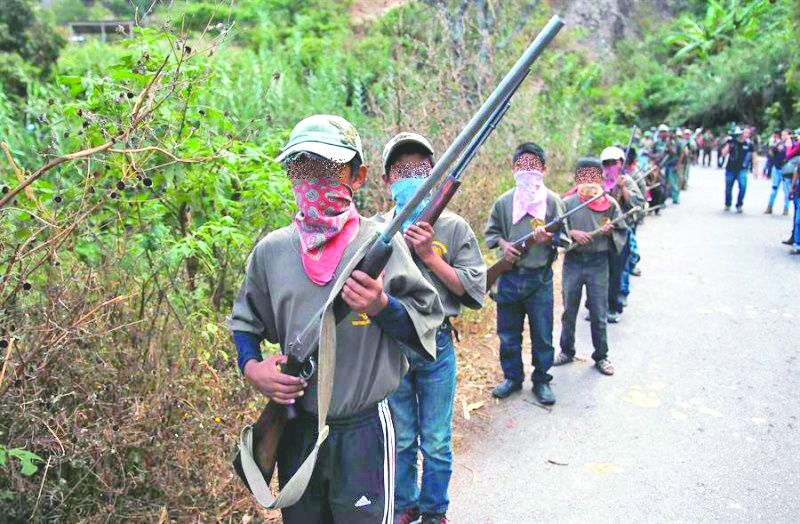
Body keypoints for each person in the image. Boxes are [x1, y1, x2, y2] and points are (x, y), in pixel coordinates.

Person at [228, 115, 444, 524]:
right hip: (297, 429)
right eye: (301, 167)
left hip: (364, 430)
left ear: (358, 176)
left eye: (327, 168)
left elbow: (425, 323)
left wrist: (383, 307)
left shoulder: (383, 244)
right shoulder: (271, 252)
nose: (313, 178)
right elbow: (245, 321)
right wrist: (252, 366)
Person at [378, 133, 486, 524]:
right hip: (392, 348)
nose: (412, 177)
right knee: (402, 439)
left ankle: (435, 509)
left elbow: (474, 290)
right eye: (403, 170)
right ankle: (405, 505)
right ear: (387, 179)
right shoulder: (376, 230)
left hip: (438, 347)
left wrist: (429, 255)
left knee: (437, 441)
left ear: (436, 176)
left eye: (422, 170)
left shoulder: (454, 228)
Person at [485, 143, 567, 405]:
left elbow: (565, 239)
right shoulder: (504, 202)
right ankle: (513, 378)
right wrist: (504, 246)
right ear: (513, 169)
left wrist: (548, 239)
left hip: (539, 278)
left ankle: (541, 380)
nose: (528, 170)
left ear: (543, 169)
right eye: (522, 165)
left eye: (533, 165)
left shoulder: (553, 202)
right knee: (508, 333)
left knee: (542, 333)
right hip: (509, 276)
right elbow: (493, 233)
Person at [554, 158, 627, 376]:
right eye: (583, 176)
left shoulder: (609, 204)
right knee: (569, 309)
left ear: (600, 178)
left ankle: (601, 356)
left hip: (598, 263)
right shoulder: (566, 203)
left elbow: (622, 231)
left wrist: (609, 231)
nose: (588, 181)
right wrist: (571, 234)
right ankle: (566, 350)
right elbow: (556, 231)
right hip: (574, 262)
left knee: (598, 311)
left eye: (593, 176)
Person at [601, 146, 644, 319]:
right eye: (607, 163)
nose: (611, 166)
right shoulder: (599, 181)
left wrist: (623, 189)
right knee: (599, 274)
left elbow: (638, 205)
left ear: (621, 163)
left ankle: (614, 306)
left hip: (620, 235)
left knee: (617, 272)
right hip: (601, 235)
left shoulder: (627, 181)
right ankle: (596, 307)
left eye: (614, 163)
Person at [721, 126, 754, 213]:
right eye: (744, 133)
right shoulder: (732, 142)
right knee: (728, 187)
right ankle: (728, 203)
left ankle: (739, 204)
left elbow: (754, 156)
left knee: (743, 187)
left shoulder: (749, 144)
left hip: (742, 169)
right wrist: (729, 143)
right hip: (731, 168)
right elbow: (723, 153)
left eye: (748, 133)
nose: (745, 135)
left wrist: (755, 170)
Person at [653, 124, 680, 205]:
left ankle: (675, 198)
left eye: (664, 132)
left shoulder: (671, 142)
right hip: (659, 166)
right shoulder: (657, 142)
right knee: (661, 183)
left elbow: (675, 152)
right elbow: (653, 152)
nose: (662, 134)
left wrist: (669, 147)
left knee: (672, 182)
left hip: (669, 165)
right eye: (661, 132)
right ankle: (662, 201)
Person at [766, 129, 790, 215]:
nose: (783, 137)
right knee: (774, 189)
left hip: (787, 171)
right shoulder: (778, 144)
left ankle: (786, 208)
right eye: (782, 135)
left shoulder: (792, 146)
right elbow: (771, 155)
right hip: (777, 169)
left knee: (786, 190)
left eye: (785, 135)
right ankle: (769, 206)